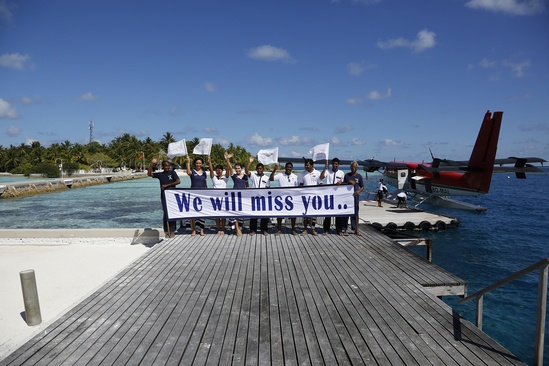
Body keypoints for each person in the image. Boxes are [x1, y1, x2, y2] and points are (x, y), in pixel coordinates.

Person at [148, 158, 180, 238]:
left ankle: (172, 230)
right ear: (162, 166)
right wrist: (151, 164)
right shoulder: (160, 175)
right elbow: (149, 174)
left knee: (172, 212)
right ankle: (166, 230)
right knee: (165, 213)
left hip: (172, 195)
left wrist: (167, 185)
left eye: (168, 166)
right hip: (164, 196)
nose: (167, 167)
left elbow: (178, 181)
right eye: (165, 166)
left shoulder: (172, 172)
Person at [269, 161, 298, 235]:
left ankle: (293, 229)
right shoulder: (280, 175)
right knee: (280, 215)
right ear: (285, 167)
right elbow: (271, 179)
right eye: (287, 167)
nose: (288, 168)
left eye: (290, 167)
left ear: (292, 168)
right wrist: (274, 170)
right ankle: (279, 229)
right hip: (281, 198)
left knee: (293, 215)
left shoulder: (295, 177)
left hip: (291, 199)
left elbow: (298, 188)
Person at [319, 157, 345, 235]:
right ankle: (326, 229)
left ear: (338, 165)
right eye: (333, 164)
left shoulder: (341, 173)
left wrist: (341, 182)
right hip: (329, 194)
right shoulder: (328, 171)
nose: (335, 165)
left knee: (338, 214)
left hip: (338, 195)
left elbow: (344, 182)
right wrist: (325, 167)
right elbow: (321, 177)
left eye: (336, 164)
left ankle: (339, 230)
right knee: (328, 213)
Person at [209, 152, 233, 235]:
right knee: (217, 215)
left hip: (224, 198)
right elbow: (211, 170)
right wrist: (209, 162)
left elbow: (228, 170)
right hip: (215, 198)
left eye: (220, 170)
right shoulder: (214, 178)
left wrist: (227, 160)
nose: (218, 171)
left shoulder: (225, 178)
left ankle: (223, 229)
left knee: (223, 215)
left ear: (222, 171)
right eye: (217, 170)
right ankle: (218, 229)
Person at [246, 156, 270, 236]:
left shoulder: (266, 178)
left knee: (264, 216)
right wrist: (250, 162)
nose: (259, 170)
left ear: (263, 169)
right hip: (254, 198)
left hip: (263, 199)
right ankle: (253, 230)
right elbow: (246, 171)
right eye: (258, 168)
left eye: (261, 168)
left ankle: (264, 230)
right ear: (256, 169)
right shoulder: (253, 176)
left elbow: (268, 188)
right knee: (253, 215)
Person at [299, 158, 323, 235]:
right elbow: (301, 185)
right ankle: (305, 229)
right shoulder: (303, 174)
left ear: (312, 165)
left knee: (314, 215)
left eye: (307, 165)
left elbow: (321, 184)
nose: (306, 166)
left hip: (315, 197)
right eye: (305, 165)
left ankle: (313, 229)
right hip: (305, 197)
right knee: (305, 215)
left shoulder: (318, 173)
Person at [186, 155, 208, 236]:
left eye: (200, 163)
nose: (198, 164)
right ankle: (194, 229)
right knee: (193, 213)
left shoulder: (204, 173)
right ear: (195, 164)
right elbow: (188, 172)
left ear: (201, 164)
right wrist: (188, 162)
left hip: (202, 195)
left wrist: (207, 192)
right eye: (197, 163)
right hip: (193, 194)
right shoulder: (192, 171)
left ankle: (201, 229)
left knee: (202, 213)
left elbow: (205, 183)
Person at [344, 161, 365, 236]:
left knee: (355, 214)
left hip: (355, 197)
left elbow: (362, 187)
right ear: (350, 167)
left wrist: (358, 191)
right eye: (352, 167)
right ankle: (344, 229)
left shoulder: (359, 176)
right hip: (347, 197)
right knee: (346, 213)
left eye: (355, 167)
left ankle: (356, 229)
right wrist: (348, 181)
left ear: (357, 168)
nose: (353, 168)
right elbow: (343, 185)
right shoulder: (346, 175)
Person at [229, 160, 249, 236]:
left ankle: (240, 227)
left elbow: (247, 186)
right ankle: (237, 229)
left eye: (238, 168)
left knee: (241, 214)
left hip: (243, 197)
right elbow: (230, 168)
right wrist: (228, 160)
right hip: (235, 197)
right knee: (236, 214)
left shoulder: (245, 177)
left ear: (241, 168)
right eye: (236, 168)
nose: (237, 170)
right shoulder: (234, 176)